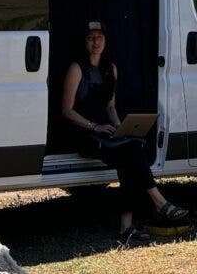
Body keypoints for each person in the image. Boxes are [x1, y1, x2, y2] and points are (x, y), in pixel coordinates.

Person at [61, 20, 189, 244]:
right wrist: (94, 126)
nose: (95, 42)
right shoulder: (76, 68)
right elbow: (67, 111)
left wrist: (121, 127)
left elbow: (110, 106)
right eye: (91, 38)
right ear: (85, 41)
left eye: (99, 37)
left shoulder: (111, 69)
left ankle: (130, 225)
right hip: (83, 132)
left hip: (106, 131)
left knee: (131, 150)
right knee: (131, 155)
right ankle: (155, 205)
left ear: (106, 40)